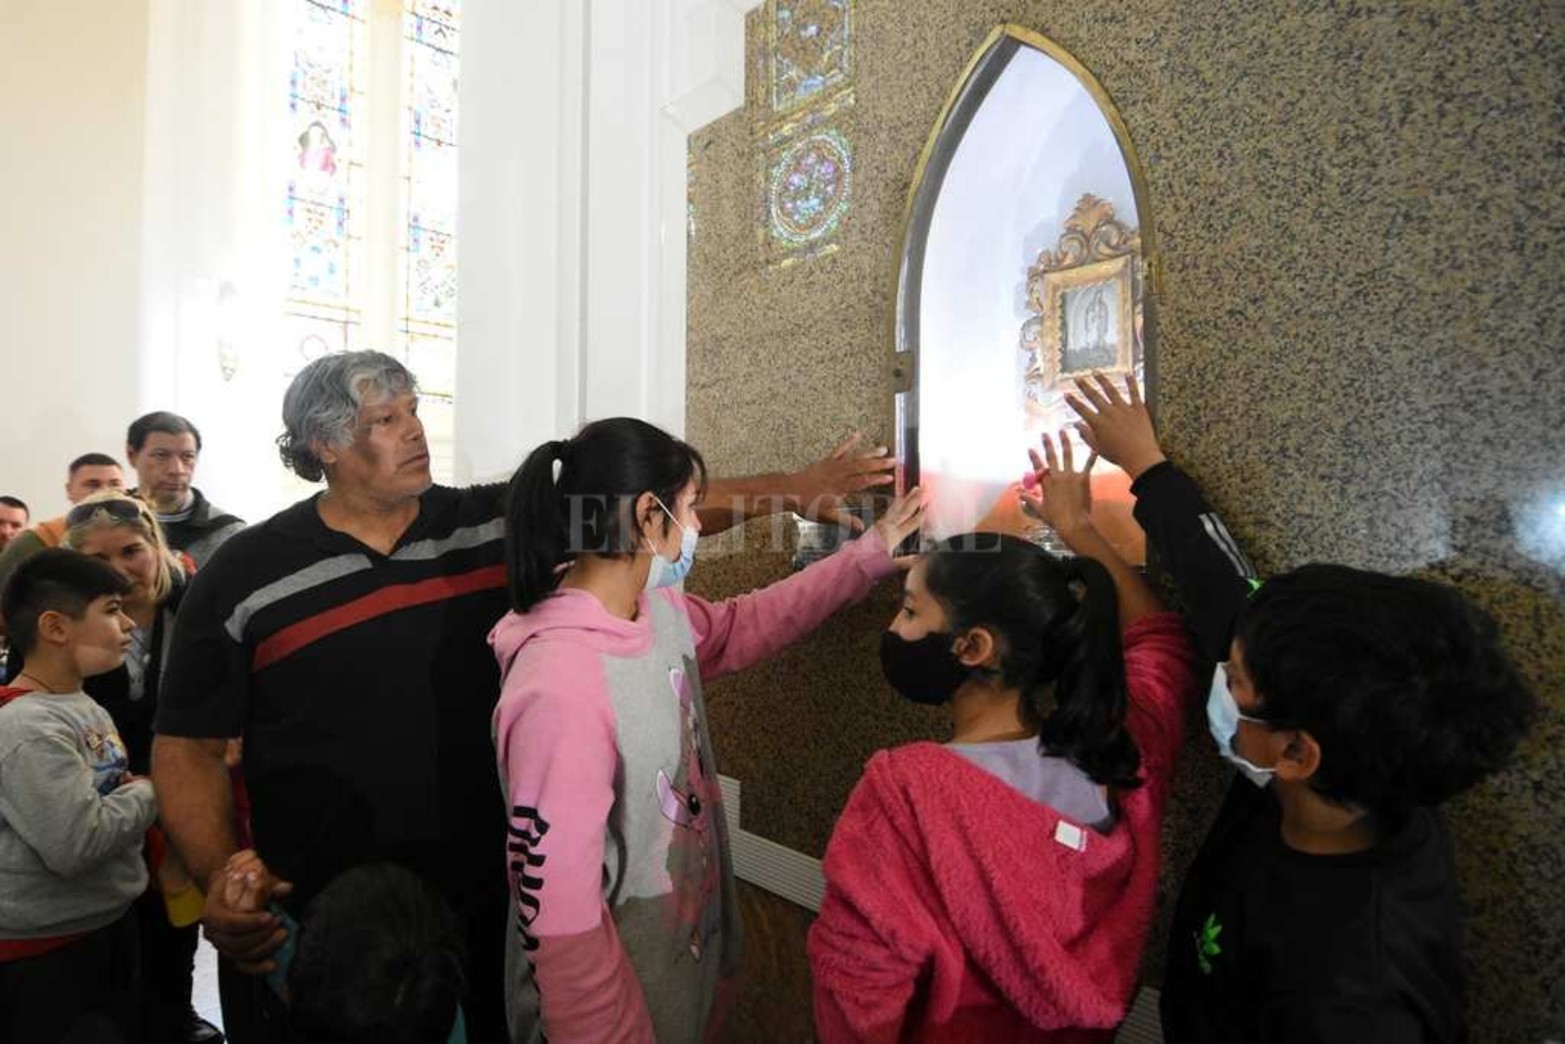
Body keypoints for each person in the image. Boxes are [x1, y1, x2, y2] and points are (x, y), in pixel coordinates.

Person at [150, 350, 895, 1043]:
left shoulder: (491, 525)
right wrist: (221, 873)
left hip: (498, 892)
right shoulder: (245, 572)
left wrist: (793, 491)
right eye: (385, 420)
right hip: (337, 915)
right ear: (325, 448)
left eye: (413, 409)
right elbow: (185, 745)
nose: (414, 430)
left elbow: (639, 507)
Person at [1064, 373, 1537, 1042]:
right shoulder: (1354, 768)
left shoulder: (1353, 996)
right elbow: (1223, 594)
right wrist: (1143, 468)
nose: (1219, 679)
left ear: (1292, 749)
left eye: (1232, 679)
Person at [491, 418, 922, 1042]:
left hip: (671, 969)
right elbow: (557, 918)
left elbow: (743, 626)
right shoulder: (558, 685)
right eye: (690, 508)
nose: (696, 528)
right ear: (647, 515)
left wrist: (864, 561)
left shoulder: (654, 609)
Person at [808, 431, 1200, 1041]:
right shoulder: (1124, 753)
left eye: (911, 611)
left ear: (972, 647)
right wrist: (1080, 529)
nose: (894, 624)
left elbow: (857, 997)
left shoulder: (906, 794)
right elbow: (1162, 645)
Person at [66, 491, 224, 1044]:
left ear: (156, 545)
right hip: (102, 803)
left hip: (186, 792)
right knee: (114, 928)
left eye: (132, 551)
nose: (118, 571)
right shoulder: (61, 621)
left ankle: (174, 1014)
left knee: (175, 921)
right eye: (97, 560)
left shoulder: (200, 607)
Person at [0, 548, 158, 1044]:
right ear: (55, 627)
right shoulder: (28, 726)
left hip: (100, 924)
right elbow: (76, 843)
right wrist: (151, 793)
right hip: (46, 952)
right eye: (111, 610)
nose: (129, 624)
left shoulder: (75, 703)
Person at [126, 411, 245, 568]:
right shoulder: (107, 520)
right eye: (161, 455)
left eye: (187, 456)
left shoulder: (228, 534)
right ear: (132, 455)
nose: (176, 470)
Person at [0, 453, 127, 592]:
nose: (105, 492)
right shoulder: (38, 541)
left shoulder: (148, 536)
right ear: (69, 490)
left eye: (115, 484)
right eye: (93, 484)